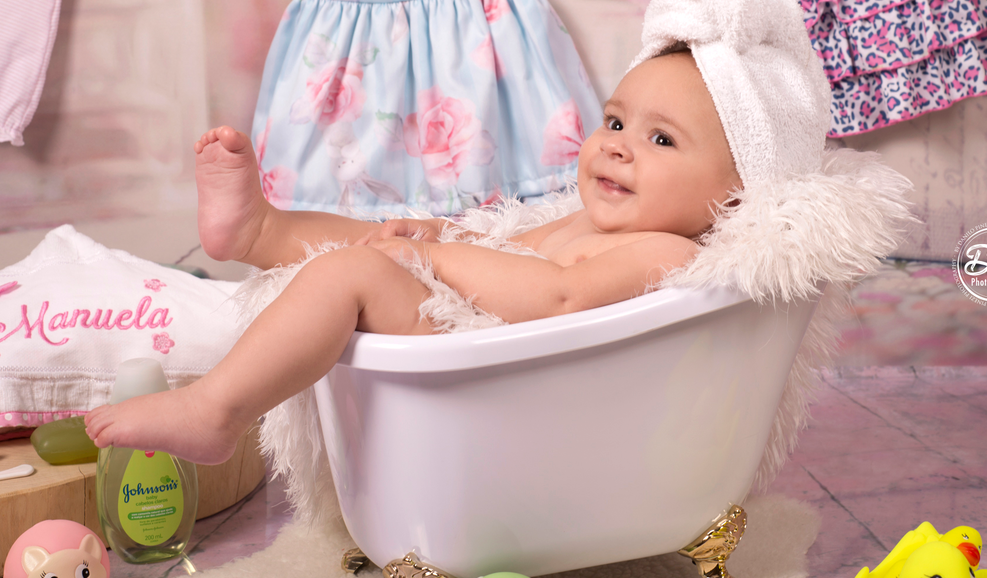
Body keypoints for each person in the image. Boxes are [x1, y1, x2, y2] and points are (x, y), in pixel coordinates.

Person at [84, 49, 745, 465]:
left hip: (500, 371)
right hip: (471, 319)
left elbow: (559, 298)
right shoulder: (583, 218)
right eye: (616, 121)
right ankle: (261, 230)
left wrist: (433, 257)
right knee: (364, 240)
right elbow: (505, 251)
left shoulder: (667, 248)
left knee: (355, 271)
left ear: (734, 187)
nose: (620, 147)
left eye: (661, 138)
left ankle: (218, 408)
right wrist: (437, 237)